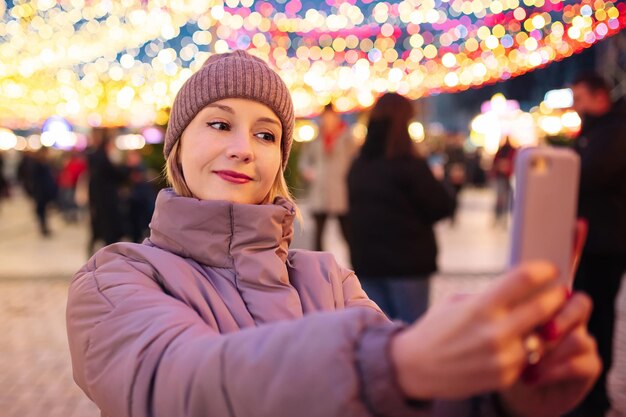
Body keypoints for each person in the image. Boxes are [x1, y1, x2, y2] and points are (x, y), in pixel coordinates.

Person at [67, 50, 600, 417]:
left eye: (266, 133)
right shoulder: (116, 279)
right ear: (178, 146)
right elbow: (179, 384)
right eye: (219, 124)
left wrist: (497, 400)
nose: (243, 148)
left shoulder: (326, 278)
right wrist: (389, 360)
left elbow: (400, 401)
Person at [347, 92, 453, 322]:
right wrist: (443, 180)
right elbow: (441, 206)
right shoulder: (409, 165)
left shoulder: (359, 165)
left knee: (378, 335)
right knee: (411, 337)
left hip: (368, 262)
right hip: (408, 266)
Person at [567, 72, 626, 417]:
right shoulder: (596, 130)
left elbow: (588, 175)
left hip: (607, 241)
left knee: (597, 317)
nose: (576, 105)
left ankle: (594, 394)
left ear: (598, 96)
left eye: (580, 97)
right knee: (589, 315)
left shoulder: (614, 131)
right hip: (591, 240)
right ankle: (585, 391)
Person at [298, 103, 356, 251]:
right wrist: (308, 172)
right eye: (326, 117)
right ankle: (317, 266)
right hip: (320, 190)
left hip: (340, 190)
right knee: (318, 235)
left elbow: (355, 159)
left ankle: (358, 265)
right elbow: (304, 161)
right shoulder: (317, 137)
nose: (328, 120)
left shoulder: (346, 136)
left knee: (348, 232)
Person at [86, 127, 129, 254]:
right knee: (108, 227)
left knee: (101, 226)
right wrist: (127, 169)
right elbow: (113, 174)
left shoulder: (94, 155)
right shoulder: (101, 156)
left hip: (100, 197)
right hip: (106, 198)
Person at [492, 136, 517, 227]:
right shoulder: (500, 151)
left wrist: (508, 167)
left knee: (507, 199)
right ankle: (497, 217)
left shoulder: (513, 151)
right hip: (500, 177)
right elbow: (494, 162)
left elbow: (514, 162)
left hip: (509, 177)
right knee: (500, 198)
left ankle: (504, 218)